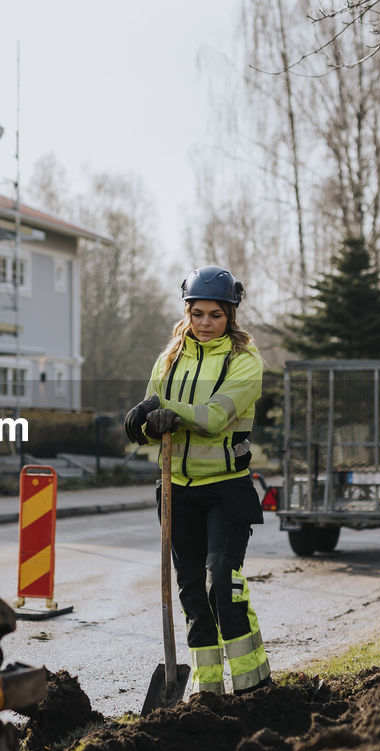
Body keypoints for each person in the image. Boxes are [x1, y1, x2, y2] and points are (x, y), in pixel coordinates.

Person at [124, 265, 272, 695]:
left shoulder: (244, 361)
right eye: (197, 314)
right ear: (187, 312)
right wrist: (143, 424)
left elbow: (213, 418)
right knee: (191, 595)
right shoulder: (169, 358)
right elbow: (155, 422)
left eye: (215, 315)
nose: (205, 324)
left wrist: (163, 406)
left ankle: (253, 685)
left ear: (230, 316)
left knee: (221, 586)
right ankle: (209, 693)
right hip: (176, 492)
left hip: (225, 490)